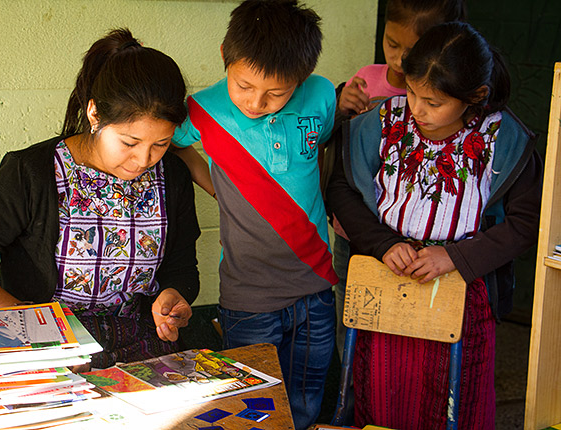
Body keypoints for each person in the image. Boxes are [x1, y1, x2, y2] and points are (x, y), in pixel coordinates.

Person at [0, 28, 201, 370]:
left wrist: (174, 296)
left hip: (141, 341)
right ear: (95, 115)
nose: (144, 160)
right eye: (129, 143)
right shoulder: (33, 172)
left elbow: (181, 267)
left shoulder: (172, 176)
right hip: (50, 347)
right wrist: (31, 323)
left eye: (160, 144)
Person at [326, 21, 542, 429]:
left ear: (474, 97)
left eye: (433, 101)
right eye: (410, 92)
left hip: (463, 293)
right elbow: (341, 187)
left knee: (455, 404)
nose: (416, 109)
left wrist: (456, 256)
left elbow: (525, 223)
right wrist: (382, 243)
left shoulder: (503, 137)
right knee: (381, 396)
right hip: (386, 279)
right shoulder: (383, 123)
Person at [171, 1, 337, 428]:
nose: (257, 102)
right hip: (249, 296)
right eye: (243, 85)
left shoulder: (320, 94)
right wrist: (219, 185)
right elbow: (173, 143)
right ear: (226, 55)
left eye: (276, 93)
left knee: (306, 396)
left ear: (299, 79)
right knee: (251, 408)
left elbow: (320, 150)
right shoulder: (202, 109)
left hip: (316, 285)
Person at [328, 0, 467, 354]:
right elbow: (342, 152)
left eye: (413, 50)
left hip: (418, 247)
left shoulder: (454, 97)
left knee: (410, 332)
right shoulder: (368, 78)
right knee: (355, 317)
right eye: (392, 44)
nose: (400, 59)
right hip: (356, 233)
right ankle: (355, 396)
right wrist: (342, 105)